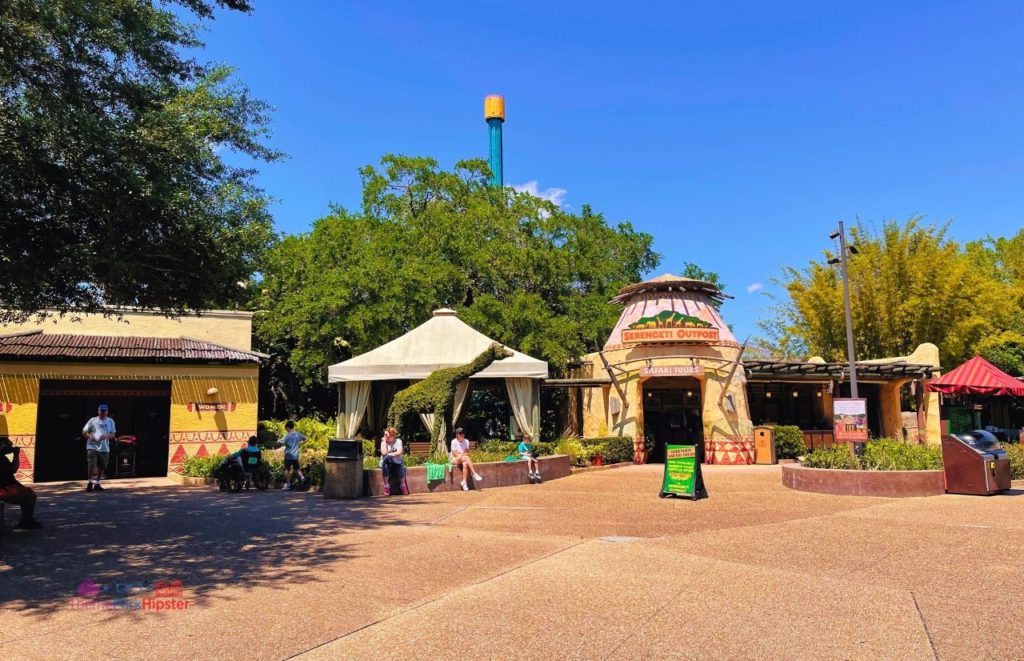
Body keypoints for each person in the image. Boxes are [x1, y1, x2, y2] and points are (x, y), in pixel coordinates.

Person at [0, 436, 42, 529]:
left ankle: (26, 520)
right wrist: (16, 455)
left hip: (5, 486)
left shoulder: (2, 458)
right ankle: (26, 521)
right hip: (3, 489)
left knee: (25, 492)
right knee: (29, 495)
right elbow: (13, 469)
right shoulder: (1, 459)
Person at [82, 403, 116, 492]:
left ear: (107, 411)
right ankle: (90, 482)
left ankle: (97, 483)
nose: (103, 412)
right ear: (98, 411)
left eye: (105, 411)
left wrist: (106, 436)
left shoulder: (110, 421)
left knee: (102, 465)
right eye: (101, 411)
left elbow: (113, 434)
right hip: (92, 446)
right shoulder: (92, 421)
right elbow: (84, 432)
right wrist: (90, 436)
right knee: (92, 464)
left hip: (104, 447)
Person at [276, 421, 307, 490]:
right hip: (295, 455)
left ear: (288, 427)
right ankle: (303, 478)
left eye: (286, 429)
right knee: (298, 469)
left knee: (287, 470)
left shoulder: (288, 435)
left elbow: (280, 442)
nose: (286, 430)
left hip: (288, 455)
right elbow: (306, 439)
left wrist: (278, 442)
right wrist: (300, 444)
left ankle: (288, 485)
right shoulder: (298, 434)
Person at [449, 427, 483, 491]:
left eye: (463, 433)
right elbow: (454, 453)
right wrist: (462, 454)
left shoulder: (466, 441)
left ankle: (464, 483)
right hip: (453, 459)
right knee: (467, 458)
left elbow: (467, 452)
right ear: (457, 435)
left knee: (465, 463)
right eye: (460, 433)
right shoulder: (453, 441)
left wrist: (461, 454)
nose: (462, 434)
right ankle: (474, 473)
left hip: (462, 458)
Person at [379, 427, 407, 496]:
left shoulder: (398, 441)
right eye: (384, 434)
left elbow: (399, 452)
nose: (385, 436)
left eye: (386, 435)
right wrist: (385, 442)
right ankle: (386, 486)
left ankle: (403, 485)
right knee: (385, 460)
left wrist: (390, 454)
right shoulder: (383, 442)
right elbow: (384, 453)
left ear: (392, 435)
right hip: (385, 462)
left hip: (396, 461)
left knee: (399, 463)